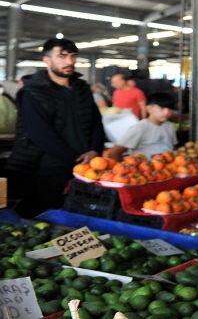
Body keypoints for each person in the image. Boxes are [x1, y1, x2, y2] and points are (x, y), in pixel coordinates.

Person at [5, 38, 105, 218]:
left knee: (76, 218)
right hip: (47, 169)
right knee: (42, 218)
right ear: (47, 60)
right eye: (62, 56)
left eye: (73, 56)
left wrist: (94, 150)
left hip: (83, 169)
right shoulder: (33, 92)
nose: (70, 62)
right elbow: (40, 135)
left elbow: (96, 123)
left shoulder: (81, 88)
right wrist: (76, 159)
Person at [108, 92, 177, 162]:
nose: (167, 112)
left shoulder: (170, 126)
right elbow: (114, 152)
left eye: (169, 109)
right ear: (149, 109)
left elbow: (173, 147)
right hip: (146, 168)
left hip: (168, 167)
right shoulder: (140, 127)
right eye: (162, 108)